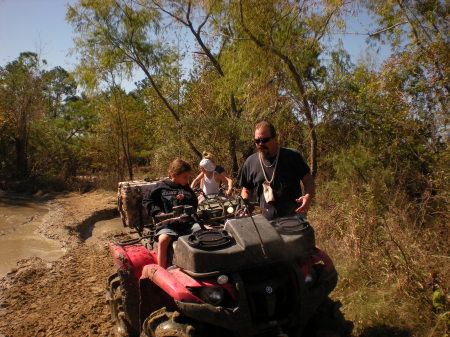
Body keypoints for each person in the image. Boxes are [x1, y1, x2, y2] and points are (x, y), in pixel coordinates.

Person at [239, 121, 315, 220]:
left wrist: (308, 196)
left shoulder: (292, 156)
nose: (260, 144)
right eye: (257, 141)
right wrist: (245, 207)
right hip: (267, 221)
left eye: (265, 140)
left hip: (294, 218)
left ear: (275, 138)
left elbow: (308, 180)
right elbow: (246, 189)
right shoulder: (250, 162)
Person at [142, 158, 198, 268]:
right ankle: (162, 271)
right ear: (173, 175)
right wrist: (158, 213)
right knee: (163, 240)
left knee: (203, 233)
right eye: (184, 177)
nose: (187, 180)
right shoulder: (160, 187)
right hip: (168, 224)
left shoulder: (186, 189)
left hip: (187, 224)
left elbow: (194, 202)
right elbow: (147, 201)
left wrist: (191, 211)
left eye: (188, 177)